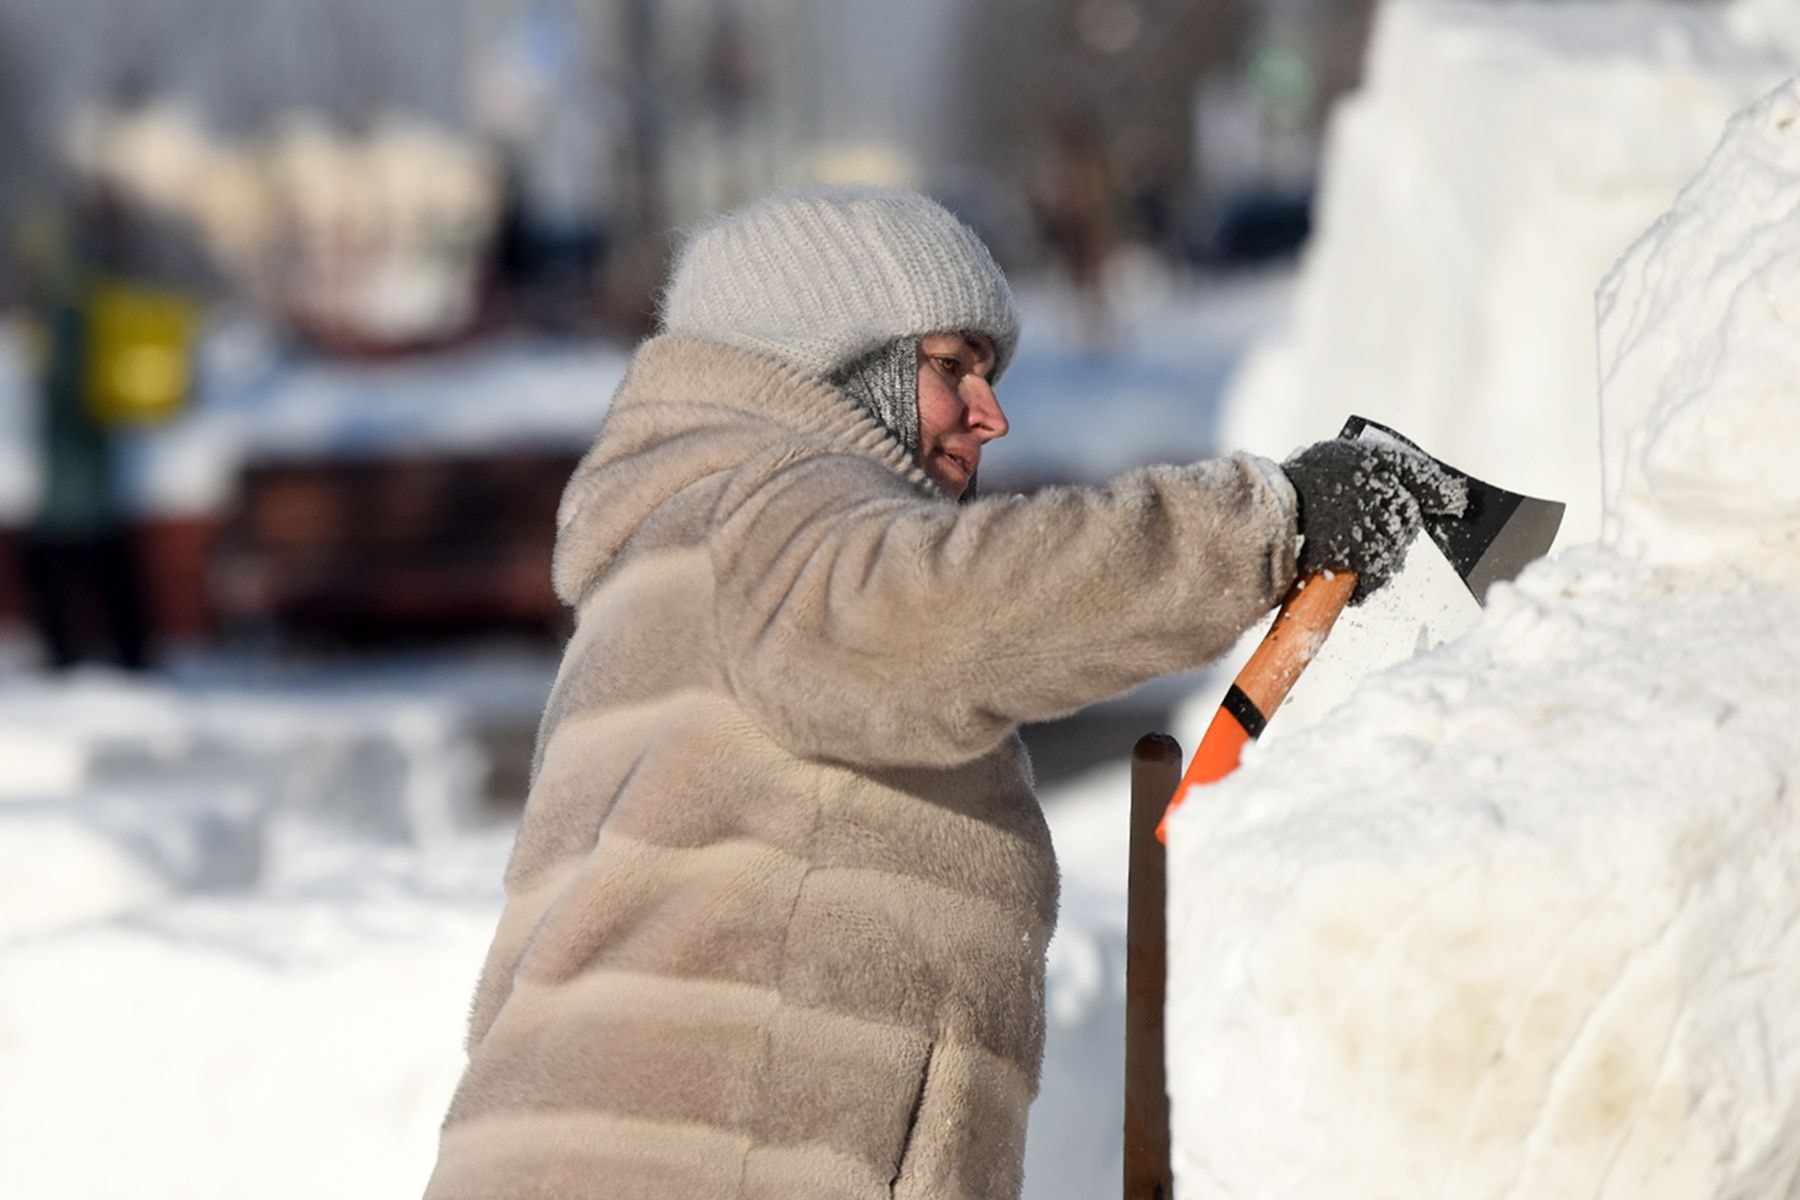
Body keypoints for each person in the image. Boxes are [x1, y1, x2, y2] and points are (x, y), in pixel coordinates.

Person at [422, 186, 1459, 1200]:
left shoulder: (686, 554)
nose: (991, 414)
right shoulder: (775, 509)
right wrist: (1262, 523)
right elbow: (956, 604)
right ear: (836, 365)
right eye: (951, 369)